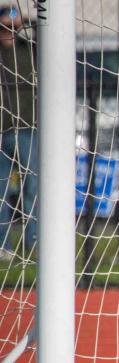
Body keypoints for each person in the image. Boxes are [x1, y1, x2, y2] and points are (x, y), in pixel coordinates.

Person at [0, 4, 36, 260]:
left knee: (33, 188)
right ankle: (4, 246)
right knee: (1, 192)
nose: (11, 31)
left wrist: (28, 21)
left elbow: (48, 37)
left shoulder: (29, 51)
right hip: (2, 130)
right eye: (6, 26)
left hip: (26, 128)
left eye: (15, 26)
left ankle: (34, 241)